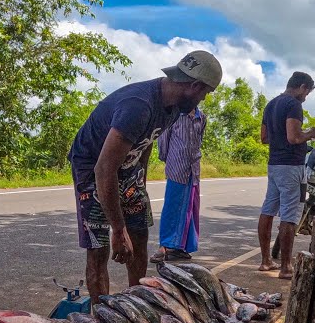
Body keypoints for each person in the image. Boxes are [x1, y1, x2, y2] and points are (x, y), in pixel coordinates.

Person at [69, 51, 222, 299]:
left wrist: (140, 180)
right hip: (93, 168)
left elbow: (148, 140)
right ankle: (100, 317)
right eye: (205, 93)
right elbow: (104, 168)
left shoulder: (174, 107)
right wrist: (118, 230)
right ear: (194, 85)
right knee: (100, 248)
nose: (203, 99)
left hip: (128, 167)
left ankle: (135, 303)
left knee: (139, 234)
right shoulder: (138, 105)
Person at [259, 71, 315, 279]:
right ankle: (286, 266)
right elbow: (294, 137)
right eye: (307, 93)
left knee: (268, 209)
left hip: (274, 164)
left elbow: (264, 138)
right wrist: (311, 134)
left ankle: (266, 260)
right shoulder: (293, 105)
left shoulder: (271, 104)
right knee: (290, 213)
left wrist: (280, 140)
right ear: (302, 87)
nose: (306, 97)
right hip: (291, 165)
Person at [152, 106, 207, 263]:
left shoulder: (201, 117)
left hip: (194, 169)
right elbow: (163, 142)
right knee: (172, 206)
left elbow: (199, 140)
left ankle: (180, 247)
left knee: (190, 208)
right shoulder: (174, 115)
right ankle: (165, 245)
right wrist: (169, 159)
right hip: (177, 167)